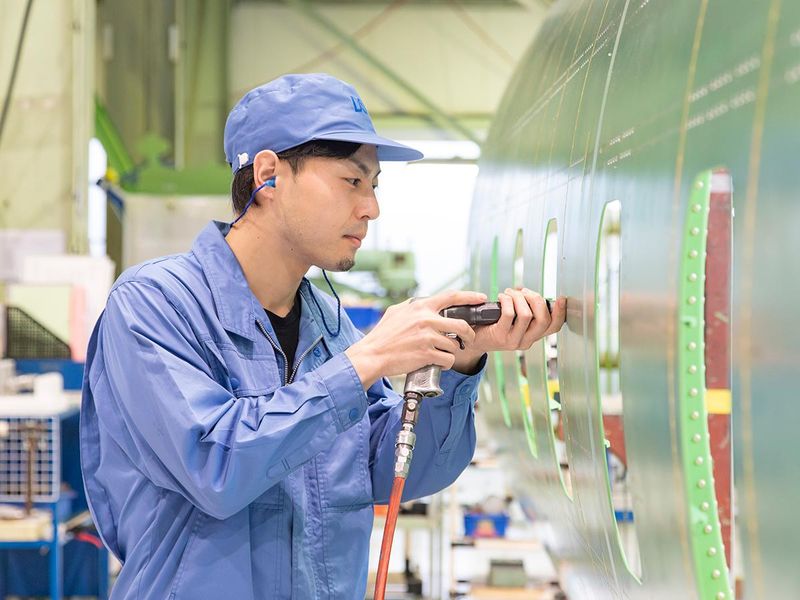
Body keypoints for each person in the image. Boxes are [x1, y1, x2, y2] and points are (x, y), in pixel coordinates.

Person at [80, 73, 566, 600]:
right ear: (269, 175)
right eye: (352, 181)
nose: (371, 208)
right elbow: (215, 467)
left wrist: (459, 365)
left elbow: (399, 469)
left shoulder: (329, 327)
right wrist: (366, 360)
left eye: (374, 185)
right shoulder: (155, 305)